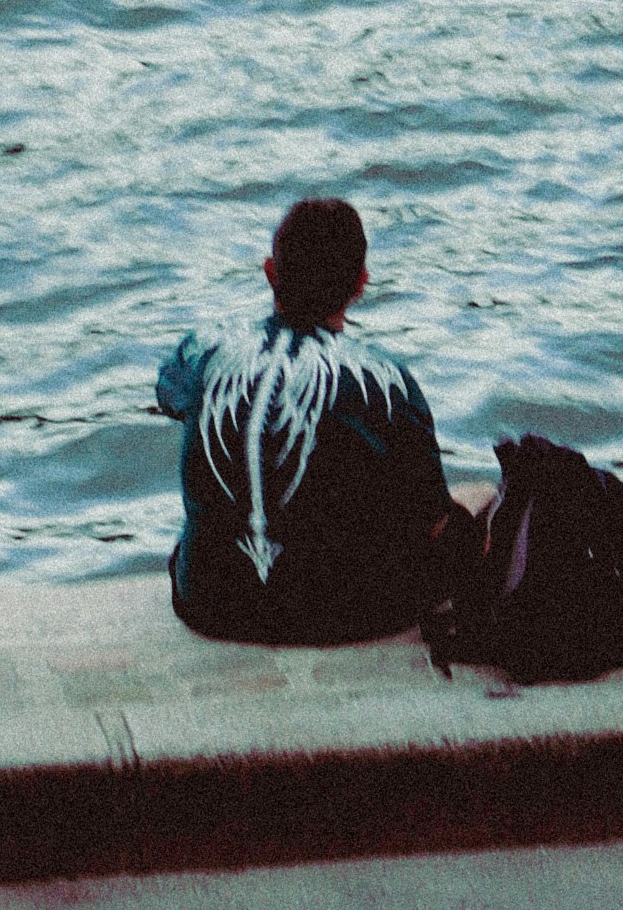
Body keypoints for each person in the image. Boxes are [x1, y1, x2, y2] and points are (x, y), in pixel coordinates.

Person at [155, 196, 455, 645]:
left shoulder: (202, 351)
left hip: (211, 600)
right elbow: (433, 516)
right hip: (344, 614)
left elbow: (172, 396)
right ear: (361, 284)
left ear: (270, 272)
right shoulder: (385, 379)